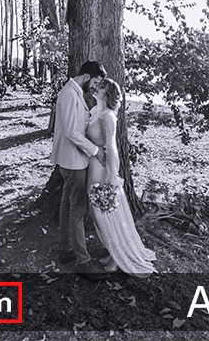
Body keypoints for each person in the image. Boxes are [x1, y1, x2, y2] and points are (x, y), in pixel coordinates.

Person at [86, 78, 156, 277]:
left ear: (107, 95)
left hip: (102, 168)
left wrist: (111, 173)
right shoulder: (95, 111)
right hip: (92, 166)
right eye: (98, 86)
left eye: (101, 88)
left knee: (106, 213)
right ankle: (112, 251)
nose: (96, 89)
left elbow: (112, 145)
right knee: (99, 214)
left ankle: (119, 257)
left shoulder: (108, 116)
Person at [50, 60, 109, 280]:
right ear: (86, 77)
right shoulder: (68, 95)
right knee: (78, 209)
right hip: (74, 162)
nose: (94, 87)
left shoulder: (74, 93)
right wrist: (95, 151)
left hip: (71, 161)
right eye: (94, 82)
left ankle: (65, 250)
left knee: (67, 205)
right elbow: (73, 133)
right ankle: (83, 262)